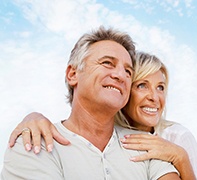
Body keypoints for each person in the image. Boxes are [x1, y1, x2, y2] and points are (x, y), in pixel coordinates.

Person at [1, 26, 181, 180]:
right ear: (73, 74)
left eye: (128, 71)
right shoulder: (33, 142)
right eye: (107, 63)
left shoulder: (147, 145)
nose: (120, 75)